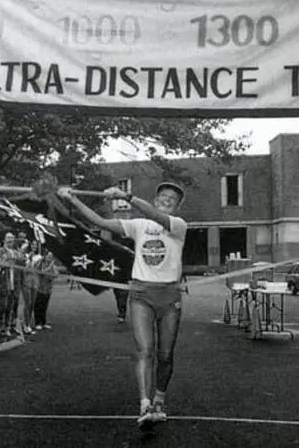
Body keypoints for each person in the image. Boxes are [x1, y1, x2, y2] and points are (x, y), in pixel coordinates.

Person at [58, 181, 188, 429]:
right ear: (156, 198)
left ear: (178, 206)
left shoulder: (179, 225)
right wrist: (72, 199)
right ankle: (145, 405)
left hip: (170, 298)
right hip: (141, 294)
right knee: (145, 350)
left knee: (166, 355)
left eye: (173, 198)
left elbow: (155, 215)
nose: (167, 199)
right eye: (163, 195)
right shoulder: (138, 226)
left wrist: (127, 197)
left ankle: (159, 401)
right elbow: (101, 222)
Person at [33, 245, 58, 330]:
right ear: (45, 256)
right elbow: (40, 272)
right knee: (38, 306)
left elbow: (56, 274)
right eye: (49, 256)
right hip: (40, 288)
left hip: (48, 289)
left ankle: (43, 323)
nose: (50, 258)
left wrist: (52, 268)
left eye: (51, 257)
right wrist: (49, 268)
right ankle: (37, 323)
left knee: (44, 306)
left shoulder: (52, 265)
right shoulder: (40, 263)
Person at [22, 240, 41, 335]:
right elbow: (26, 270)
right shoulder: (25, 256)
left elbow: (38, 270)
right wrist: (29, 259)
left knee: (32, 304)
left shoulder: (39, 257)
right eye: (33, 244)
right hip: (26, 281)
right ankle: (25, 325)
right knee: (27, 303)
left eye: (36, 245)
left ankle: (28, 323)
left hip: (35, 282)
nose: (34, 246)